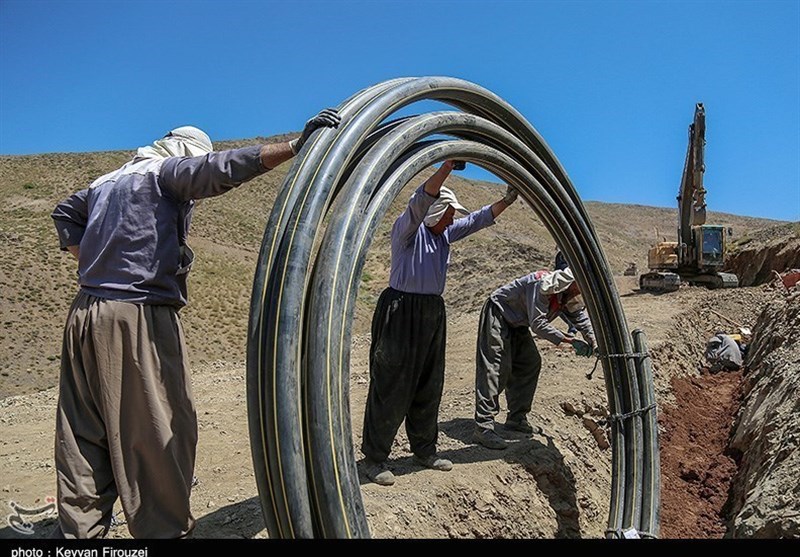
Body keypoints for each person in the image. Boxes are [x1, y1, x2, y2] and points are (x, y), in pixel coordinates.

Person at [49, 109, 341, 539]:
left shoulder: (105, 182)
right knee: (159, 425)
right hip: (137, 315)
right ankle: (164, 531)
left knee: (82, 429)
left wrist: (96, 258)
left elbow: (62, 213)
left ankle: (80, 533)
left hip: (86, 312)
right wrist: (296, 147)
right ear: (182, 152)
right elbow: (217, 170)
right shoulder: (161, 174)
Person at [362, 160, 518, 486]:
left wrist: (506, 200)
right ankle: (374, 459)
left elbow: (478, 221)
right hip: (401, 311)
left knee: (428, 384)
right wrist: (448, 164)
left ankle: (424, 451)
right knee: (391, 385)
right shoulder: (407, 232)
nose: (453, 218)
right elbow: (421, 199)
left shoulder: (444, 236)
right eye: (448, 212)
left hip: (433, 312)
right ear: (435, 212)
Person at [473, 267, 596, 450]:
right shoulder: (542, 285)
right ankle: (483, 427)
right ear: (571, 283)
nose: (581, 289)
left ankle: (517, 418)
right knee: (496, 368)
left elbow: (579, 317)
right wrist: (570, 341)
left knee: (529, 363)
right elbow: (538, 324)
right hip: (499, 314)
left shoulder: (569, 294)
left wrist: (593, 340)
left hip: (518, 323)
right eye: (580, 285)